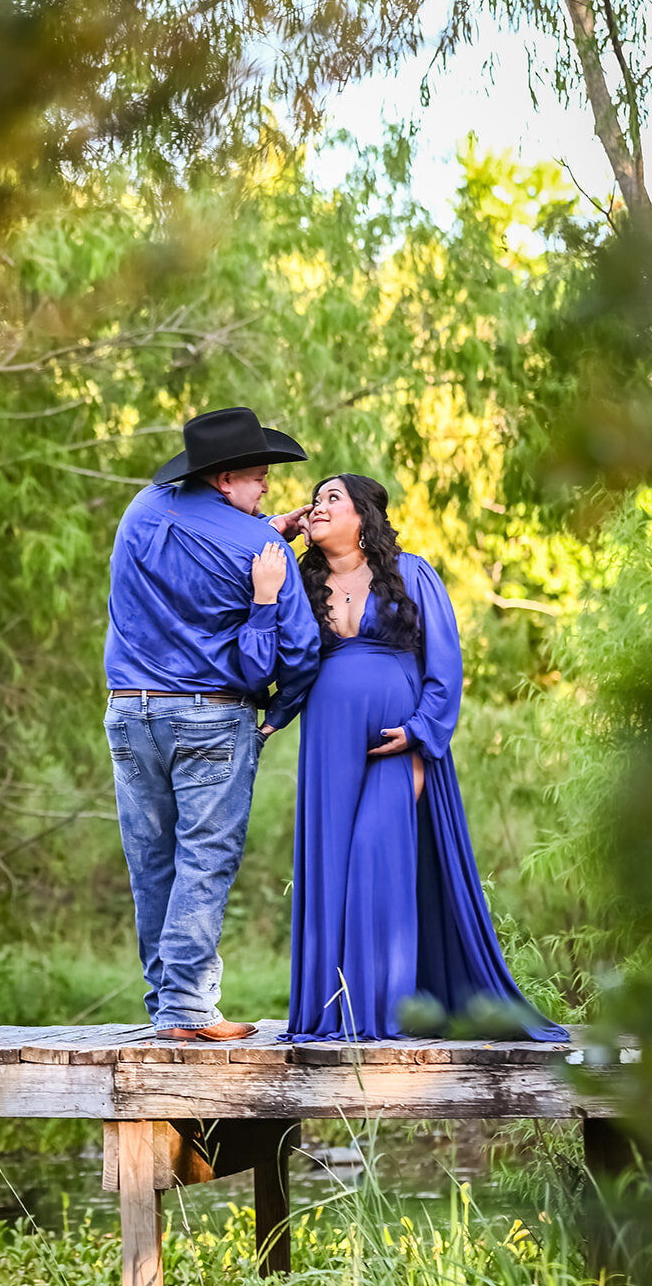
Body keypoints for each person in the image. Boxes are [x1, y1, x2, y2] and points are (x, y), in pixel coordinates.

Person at [284, 473, 567, 1043]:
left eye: (331, 499)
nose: (316, 507)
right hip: (328, 746)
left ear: (363, 516)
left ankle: (381, 1014)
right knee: (332, 867)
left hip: (398, 743)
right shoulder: (299, 580)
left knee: (374, 857)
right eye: (313, 501)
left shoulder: (411, 574)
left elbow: (445, 665)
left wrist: (418, 733)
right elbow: (283, 656)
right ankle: (332, 1014)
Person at [104, 406, 320, 1041]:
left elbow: (194, 544)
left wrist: (268, 530)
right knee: (204, 859)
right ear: (225, 480)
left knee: (151, 861)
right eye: (259, 478)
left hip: (129, 710)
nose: (267, 490)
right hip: (209, 716)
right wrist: (279, 711)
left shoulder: (140, 509)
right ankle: (189, 1010)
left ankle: (167, 1006)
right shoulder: (263, 550)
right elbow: (294, 657)